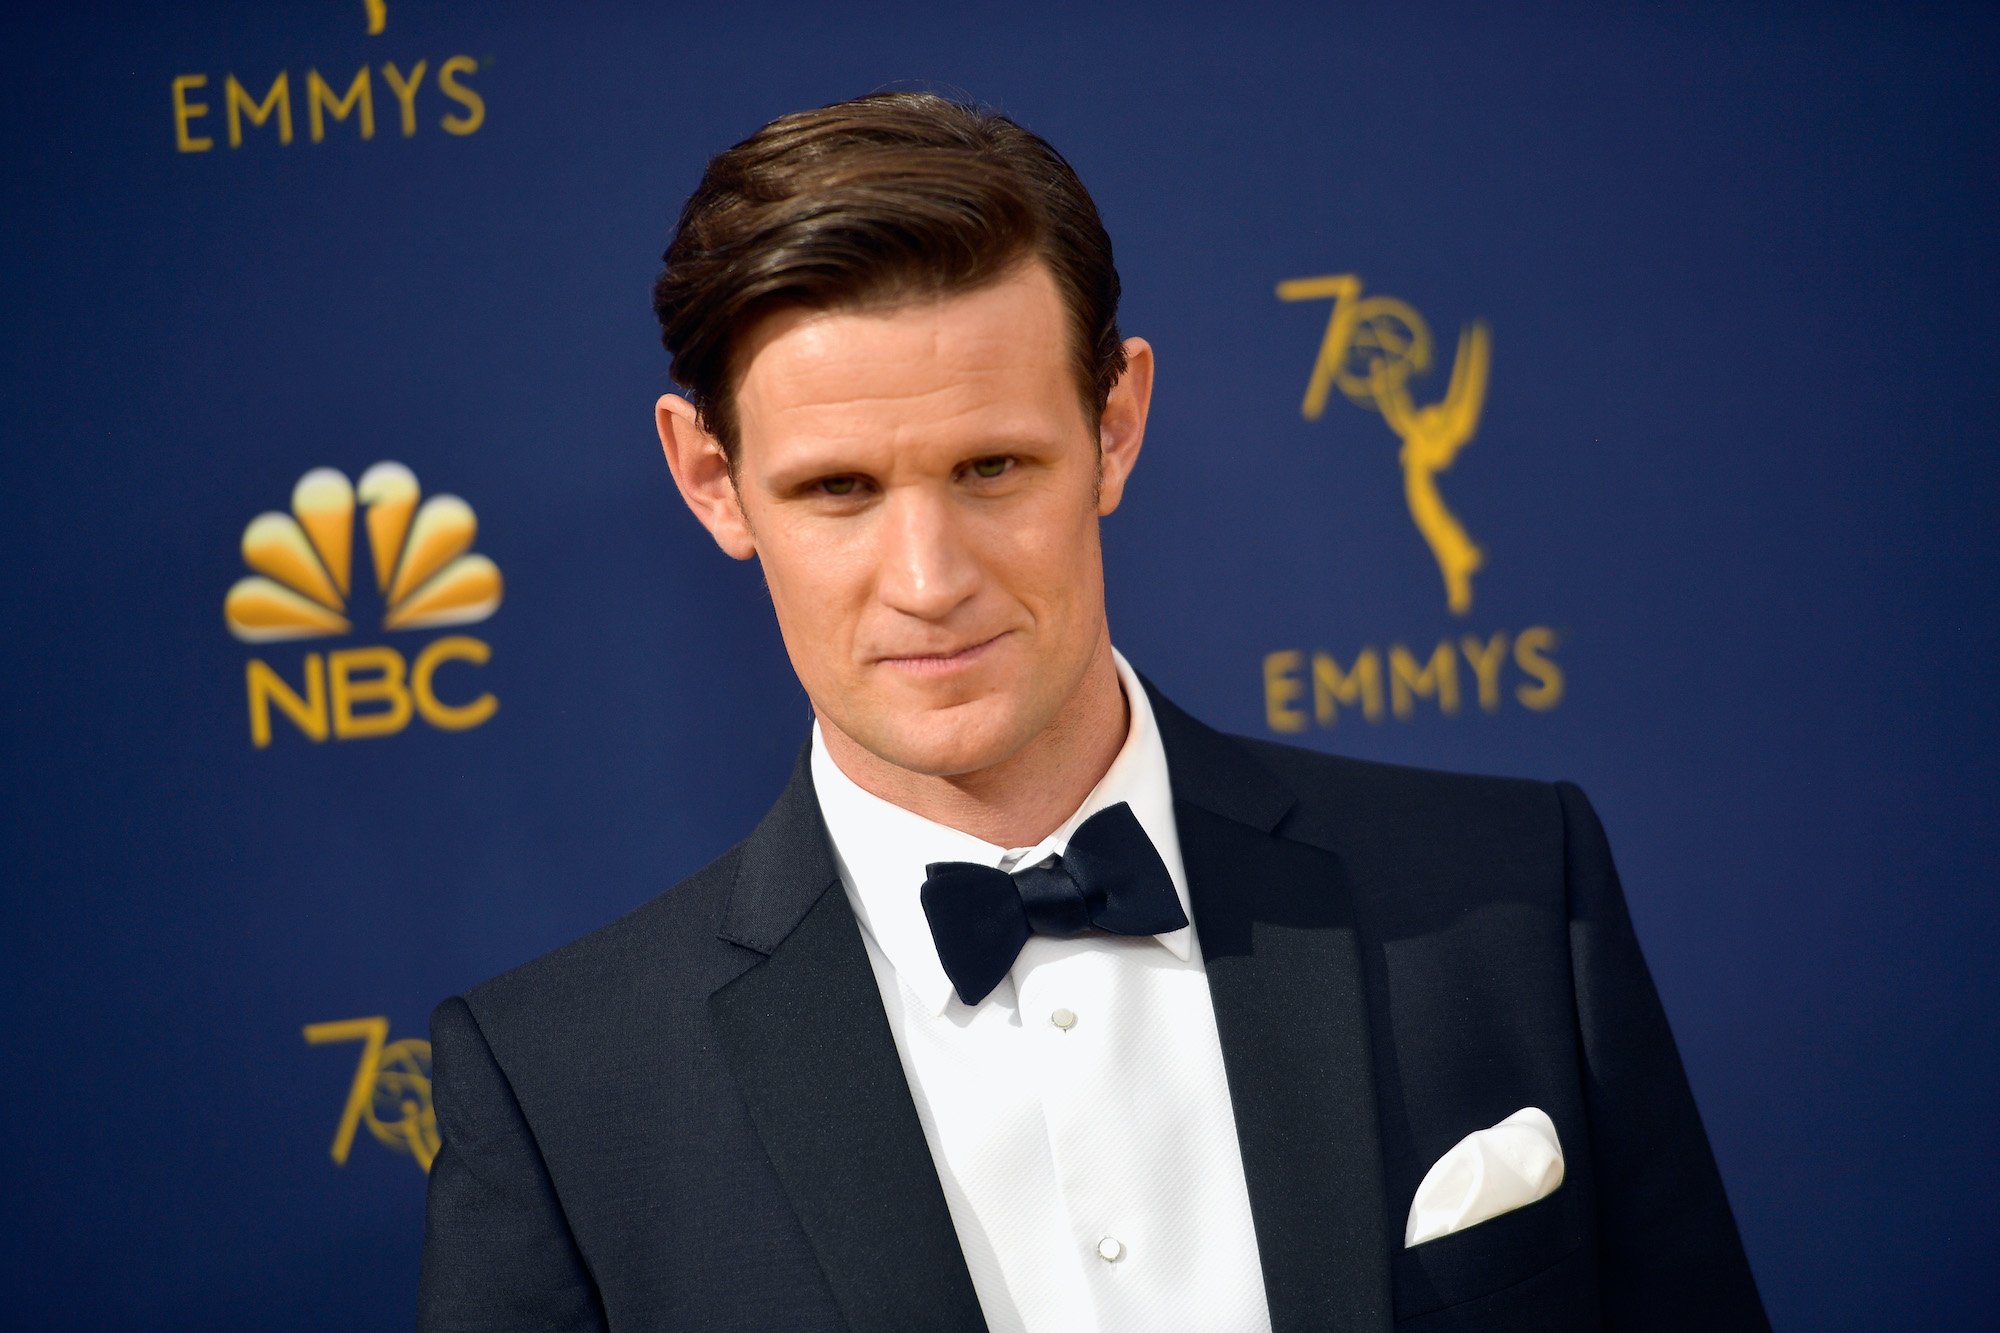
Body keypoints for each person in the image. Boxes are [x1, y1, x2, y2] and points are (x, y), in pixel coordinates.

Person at [417, 92, 1768, 1332]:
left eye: (993, 467)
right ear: (711, 480)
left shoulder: (1508, 895)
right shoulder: (564, 1092)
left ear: (1115, 425)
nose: (930, 580)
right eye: (838, 490)